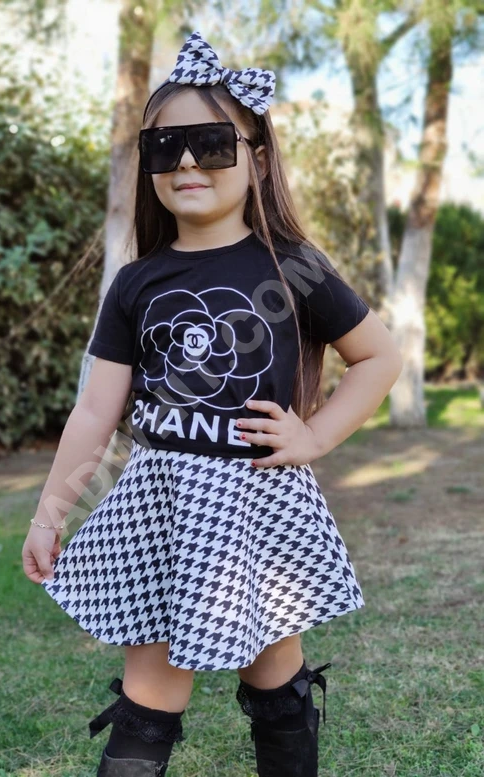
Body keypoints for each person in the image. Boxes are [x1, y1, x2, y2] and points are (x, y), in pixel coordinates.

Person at [22, 30, 403, 777]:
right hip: (160, 507)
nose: (187, 163)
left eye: (211, 143)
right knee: (148, 696)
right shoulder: (135, 283)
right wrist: (48, 513)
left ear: (255, 157)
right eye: (165, 147)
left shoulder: (293, 266)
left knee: (276, 683)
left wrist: (315, 436)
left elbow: (378, 358)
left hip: (257, 507)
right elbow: (95, 412)